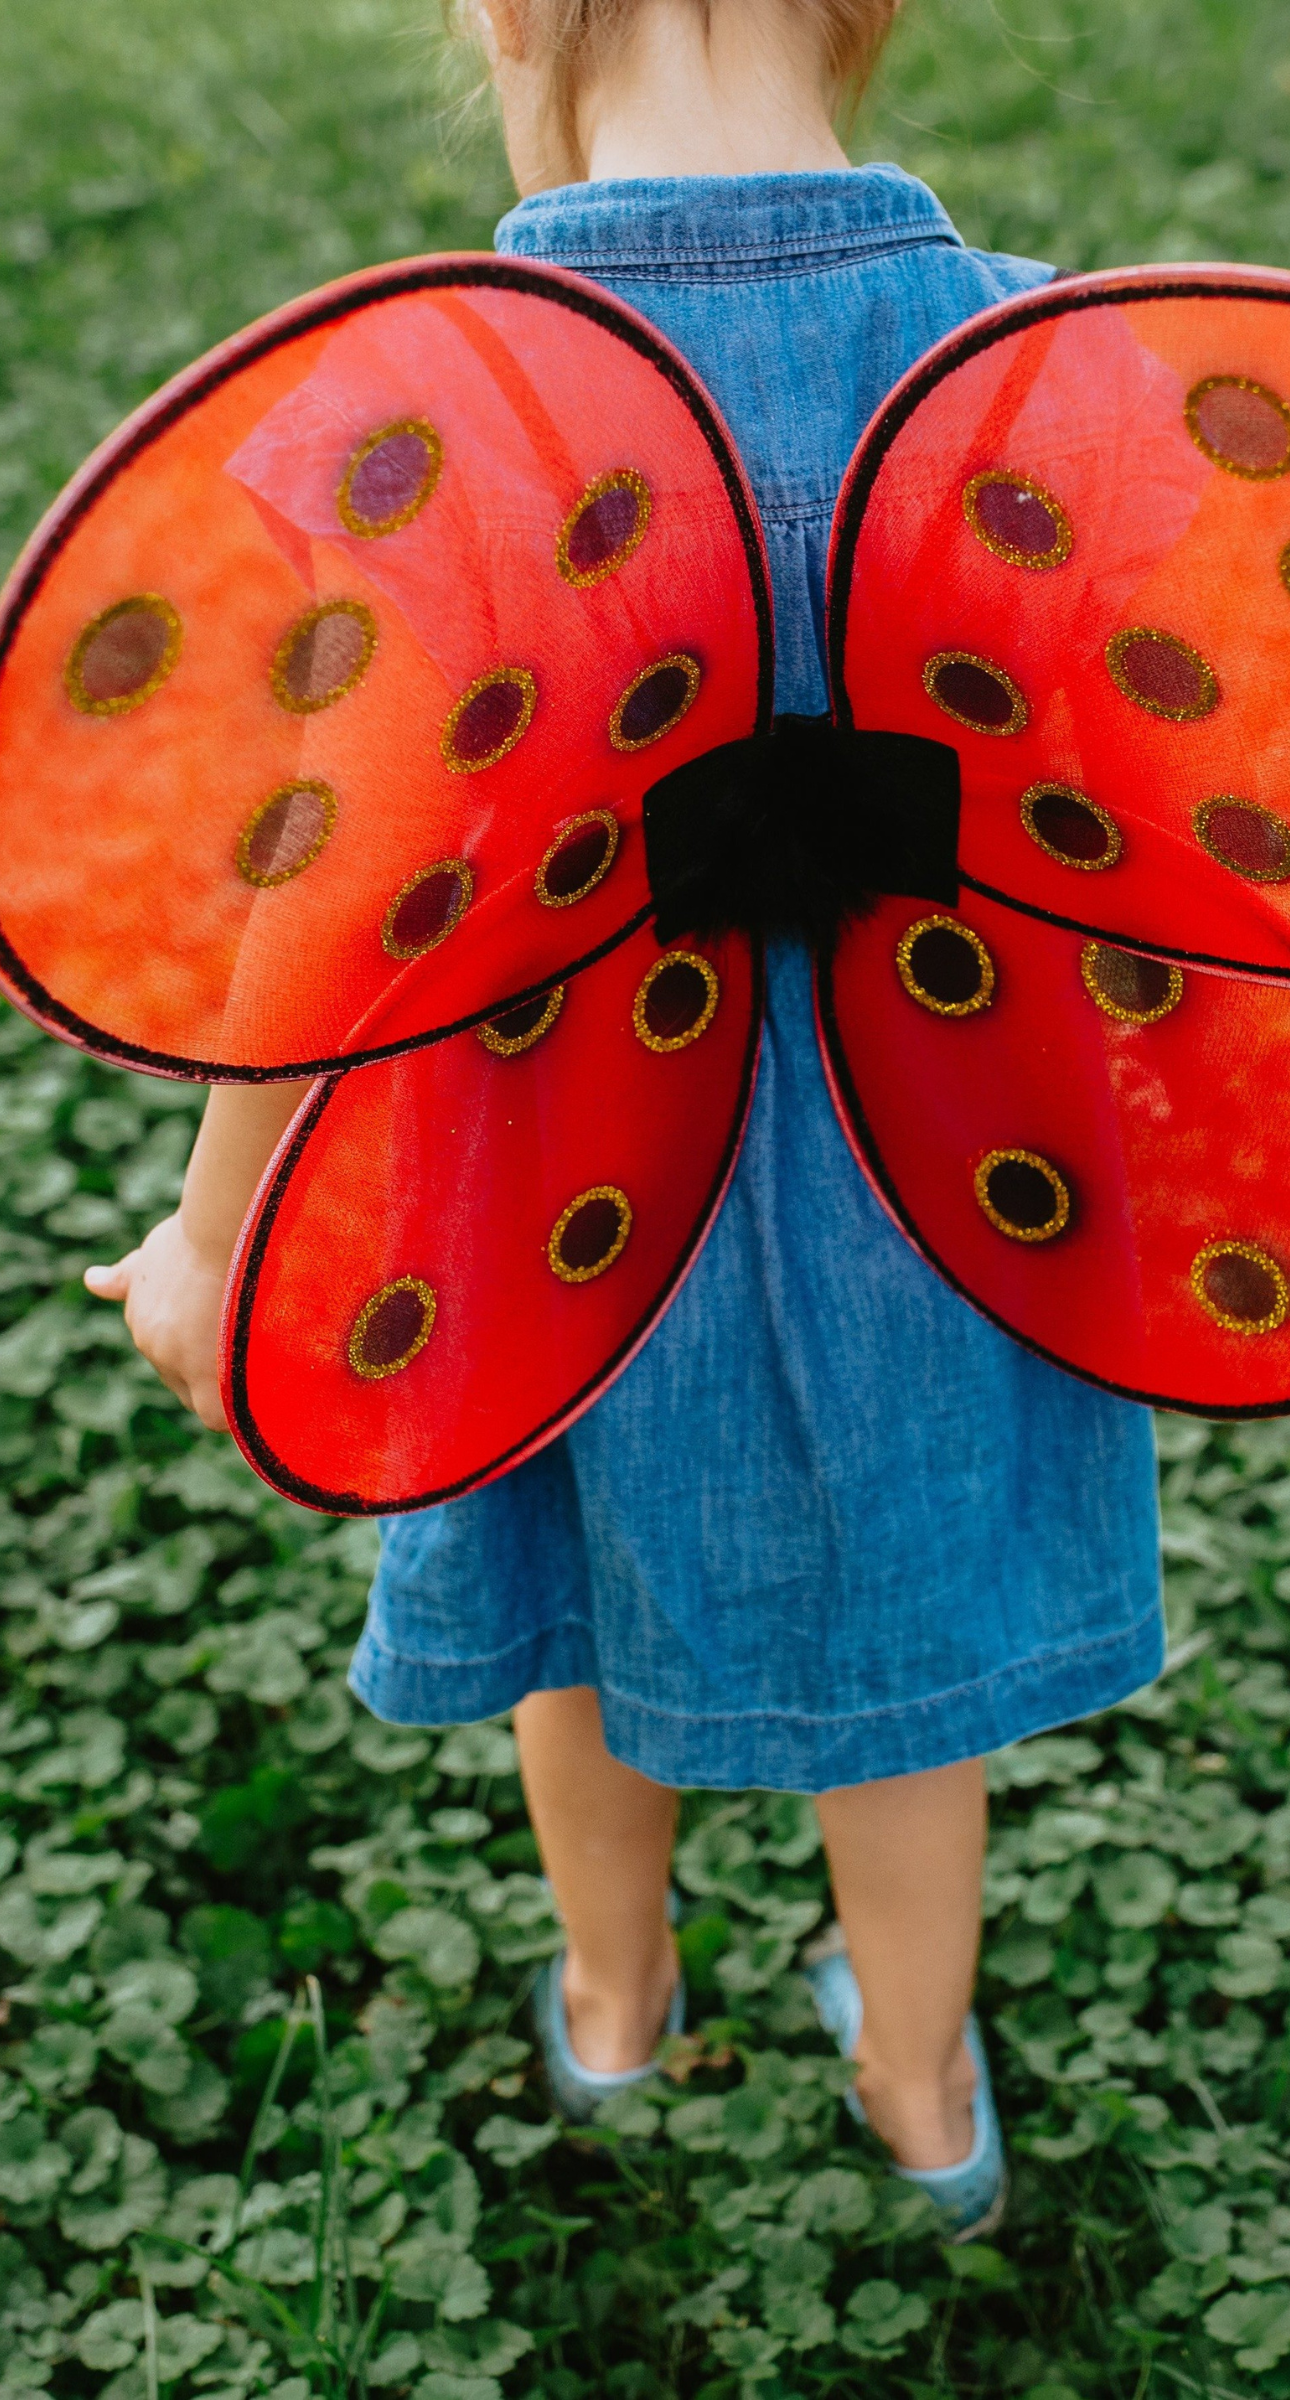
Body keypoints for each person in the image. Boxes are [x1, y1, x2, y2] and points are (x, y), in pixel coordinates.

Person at [83, 0, 1163, 2237]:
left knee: (566, 1590)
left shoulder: (435, 395)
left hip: (555, 1174)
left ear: (495, 11)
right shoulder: (1036, 362)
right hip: (918, 1154)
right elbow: (1131, 821)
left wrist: (211, 1233)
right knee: (898, 1643)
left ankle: (607, 1993)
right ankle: (913, 2073)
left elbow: (346, 871)